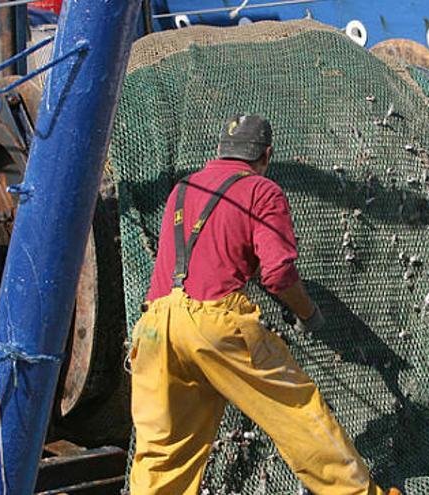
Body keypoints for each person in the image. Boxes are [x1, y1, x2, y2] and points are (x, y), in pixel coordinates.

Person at [128, 114, 400, 494]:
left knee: (163, 452)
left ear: (221, 150)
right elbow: (277, 274)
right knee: (298, 415)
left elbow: (207, 254)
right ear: (267, 155)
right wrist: (307, 312)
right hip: (215, 324)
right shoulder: (262, 191)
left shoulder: (182, 189)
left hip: (154, 326)